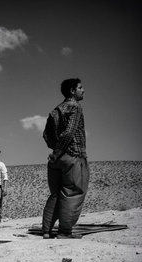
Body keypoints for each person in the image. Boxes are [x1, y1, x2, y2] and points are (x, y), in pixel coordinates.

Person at [42, 78, 89, 239]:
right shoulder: (75, 107)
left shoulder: (56, 110)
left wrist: (55, 151)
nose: (83, 90)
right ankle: (64, 232)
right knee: (72, 193)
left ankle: (46, 231)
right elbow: (69, 132)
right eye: (80, 88)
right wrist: (60, 151)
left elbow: (46, 135)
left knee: (56, 194)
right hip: (73, 156)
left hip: (56, 161)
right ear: (72, 91)